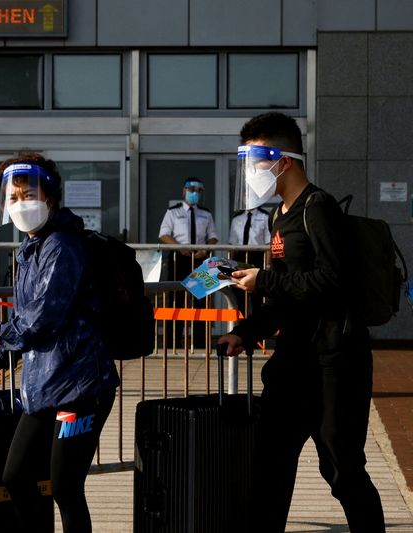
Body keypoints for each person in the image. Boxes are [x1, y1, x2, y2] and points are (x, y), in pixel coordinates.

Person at [218, 112, 385, 532]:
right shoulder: (279, 218)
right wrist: (245, 331)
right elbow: (283, 297)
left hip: (334, 362)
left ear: (284, 159)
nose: (252, 173)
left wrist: (267, 278)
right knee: (269, 465)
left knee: (342, 469)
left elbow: (334, 280)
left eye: (256, 161)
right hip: (293, 359)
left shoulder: (318, 207)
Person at [0, 153, 120, 533]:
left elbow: (44, 317)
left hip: (80, 385)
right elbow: (29, 316)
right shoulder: (32, 247)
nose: (21, 204)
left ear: (51, 198)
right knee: (17, 475)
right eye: (13, 197)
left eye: (29, 195)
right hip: (44, 384)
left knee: (66, 486)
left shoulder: (62, 246)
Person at [158, 177, 218, 347]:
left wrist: (205, 249)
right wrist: (179, 248)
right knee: (176, 302)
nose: (195, 193)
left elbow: (213, 237)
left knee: (200, 302)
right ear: (184, 191)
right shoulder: (173, 212)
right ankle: (172, 344)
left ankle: (200, 344)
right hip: (179, 260)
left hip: (199, 259)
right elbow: (163, 234)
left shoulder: (206, 214)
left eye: (199, 191)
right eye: (191, 190)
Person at [227, 206, 270, 317]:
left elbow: (268, 244)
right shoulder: (237, 218)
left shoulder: (264, 216)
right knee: (239, 296)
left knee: (257, 296)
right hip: (239, 258)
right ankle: (240, 329)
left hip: (257, 257)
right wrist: (229, 264)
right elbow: (232, 244)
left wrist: (267, 265)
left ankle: (257, 329)